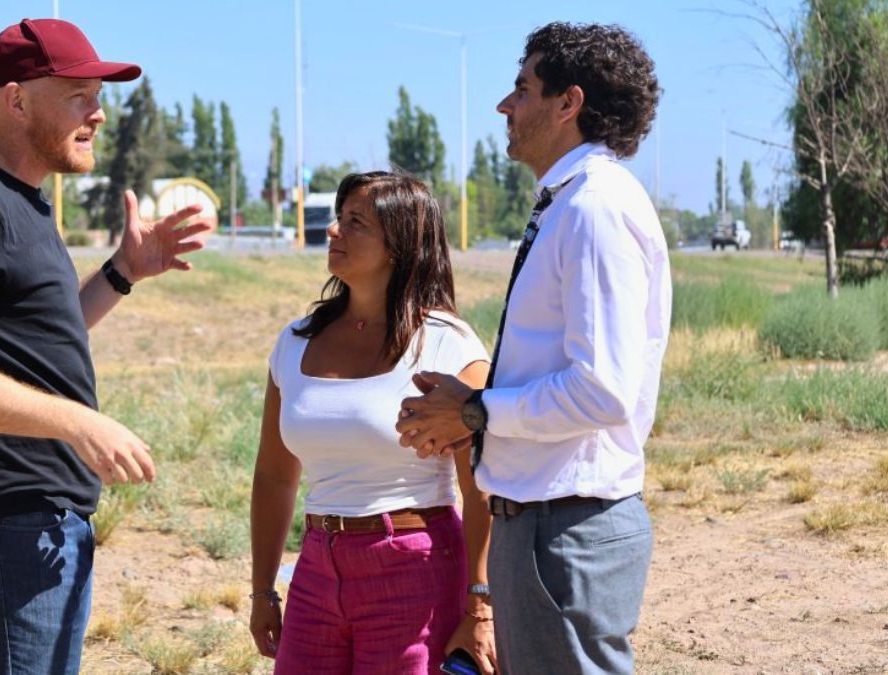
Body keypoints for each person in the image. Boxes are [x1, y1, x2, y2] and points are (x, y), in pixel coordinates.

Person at [0, 18, 211, 675]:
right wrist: (77, 422)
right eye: (79, 95)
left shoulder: (19, 200)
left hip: (35, 527)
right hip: (4, 526)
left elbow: (32, 338)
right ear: (15, 100)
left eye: (98, 97)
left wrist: (123, 272)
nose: (98, 114)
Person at [395, 22, 670, 675]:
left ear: (568, 103)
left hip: (566, 530)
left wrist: (475, 411)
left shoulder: (594, 210)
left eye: (522, 88)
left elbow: (602, 388)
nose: (505, 106)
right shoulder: (572, 203)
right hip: (544, 526)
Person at [249, 171, 497, 674]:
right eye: (339, 218)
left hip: (416, 567)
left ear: (398, 244)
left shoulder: (449, 344)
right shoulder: (294, 342)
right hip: (317, 566)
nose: (333, 231)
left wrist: (480, 604)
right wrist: (261, 591)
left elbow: (483, 489)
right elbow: (274, 476)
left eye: (354, 221)